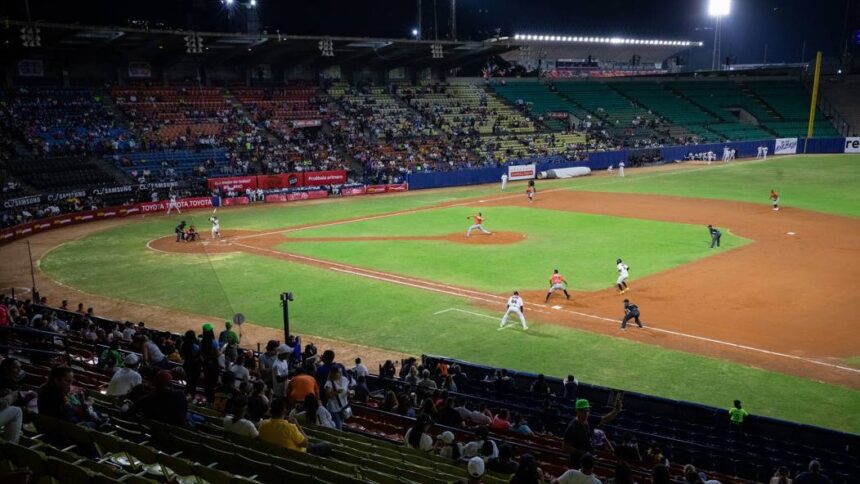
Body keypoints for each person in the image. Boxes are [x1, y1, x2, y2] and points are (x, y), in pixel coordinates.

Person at [563, 397, 622, 467]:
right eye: (583, 411)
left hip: (589, 460)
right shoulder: (572, 427)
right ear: (577, 411)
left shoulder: (589, 419)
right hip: (577, 462)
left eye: (587, 410)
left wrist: (616, 410)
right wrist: (582, 453)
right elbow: (565, 447)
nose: (586, 413)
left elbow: (605, 419)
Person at [259, 398, 328, 455]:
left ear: (271, 410)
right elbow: (305, 443)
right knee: (325, 446)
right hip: (297, 456)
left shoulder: (262, 425)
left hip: (275, 455)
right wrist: (297, 425)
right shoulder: (290, 427)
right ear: (284, 411)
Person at [323, 365, 350, 430]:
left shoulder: (344, 379)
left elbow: (347, 389)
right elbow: (327, 396)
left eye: (341, 372)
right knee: (338, 426)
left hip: (343, 406)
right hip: (334, 408)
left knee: (342, 423)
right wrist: (336, 392)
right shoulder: (329, 383)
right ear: (333, 373)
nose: (340, 374)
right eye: (338, 372)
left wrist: (350, 392)